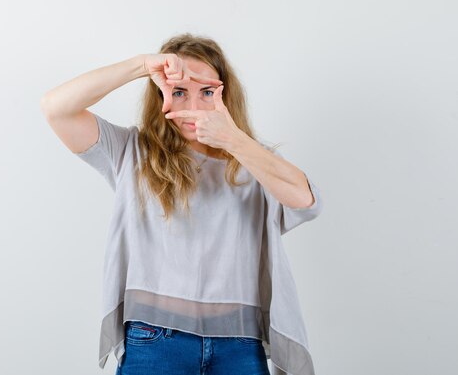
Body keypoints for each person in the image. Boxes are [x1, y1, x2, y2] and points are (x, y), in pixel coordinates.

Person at [41, 33, 323, 375]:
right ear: (161, 95)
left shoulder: (253, 160)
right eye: (179, 92)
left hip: (239, 346)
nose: (193, 106)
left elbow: (306, 202)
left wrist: (233, 139)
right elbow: (56, 108)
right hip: (154, 342)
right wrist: (143, 65)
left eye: (207, 92)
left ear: (226, 95)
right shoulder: (134, 152)